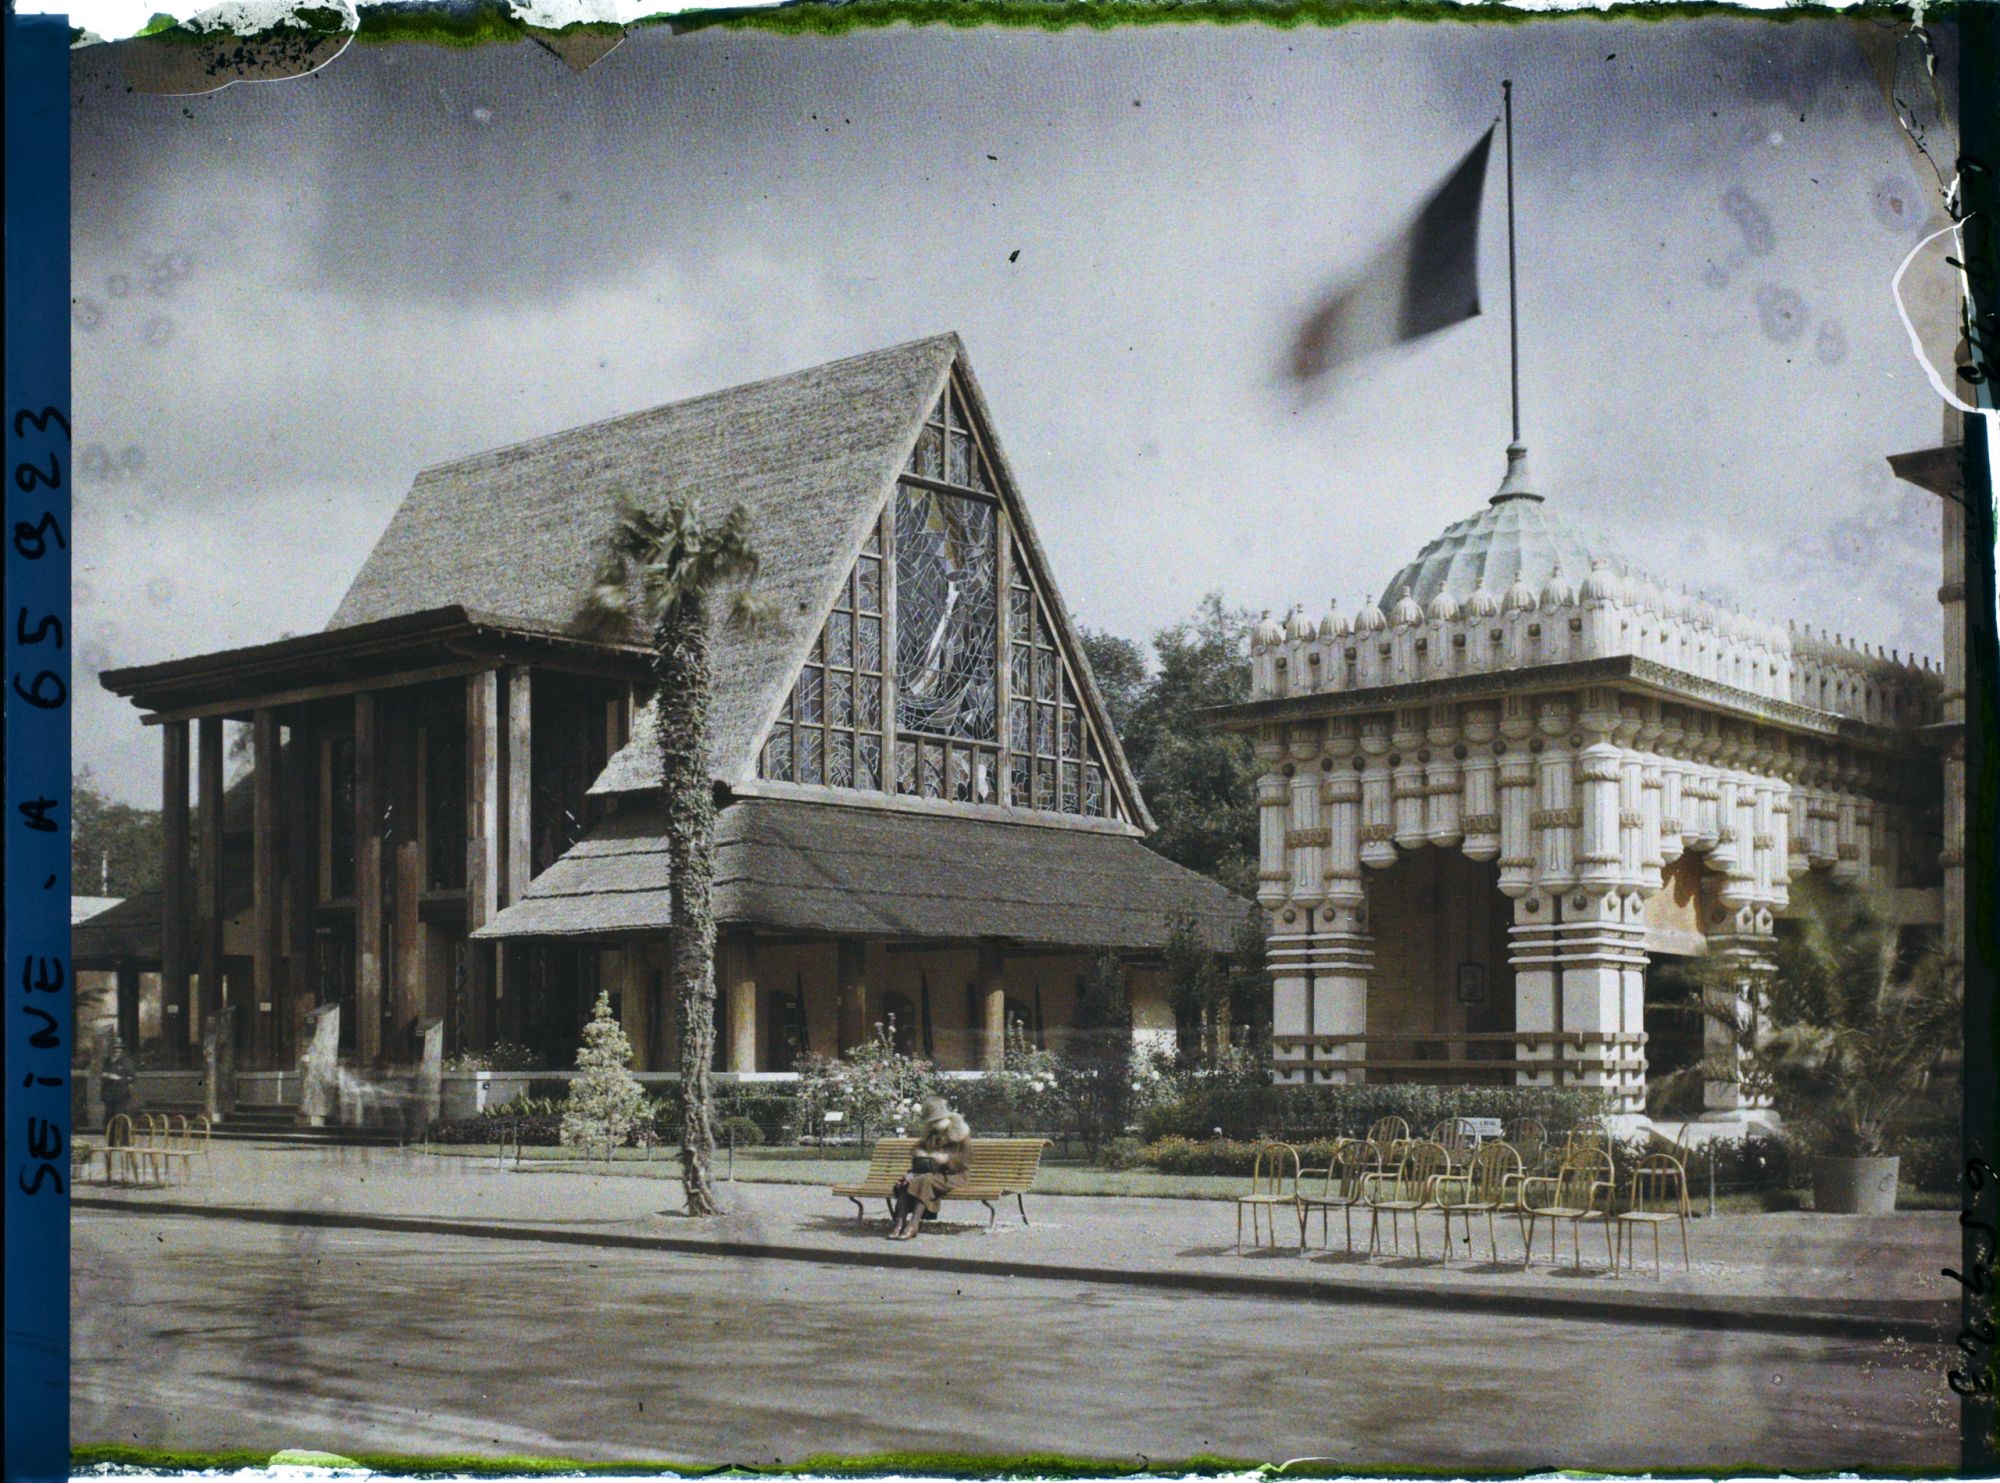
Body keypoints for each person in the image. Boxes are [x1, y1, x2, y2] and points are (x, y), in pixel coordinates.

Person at [888, 1094, 970, 1240]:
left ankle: (913, 1225)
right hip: (932, 1174)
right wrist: (921, 1154)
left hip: (953, 1176)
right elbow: (917, 1151)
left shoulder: (958, 1134)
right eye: (931, 1122)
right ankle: (899, 1224)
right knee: (906, 1181)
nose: (934, 1125)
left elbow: (963, 1162)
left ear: (946, 1118)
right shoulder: (930, 1134)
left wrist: (945, 1160)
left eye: (937, 1121)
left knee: (923, 1181)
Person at [101, 1034, 135, 1145]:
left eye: (118, 1048)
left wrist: (119, 1078)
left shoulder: (126, 1061)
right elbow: (102, 1074)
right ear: (110, 1049)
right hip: (109, 1095)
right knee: (109, 1118)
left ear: (121, 1049)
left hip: (121, 1095)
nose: (116, 1050)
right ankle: (111, 1142)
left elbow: (132, 1077)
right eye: (114, 1048)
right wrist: (105, 1076)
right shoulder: (107, 1061)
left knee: (122, 1118)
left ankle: (125, 1142)